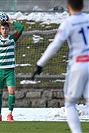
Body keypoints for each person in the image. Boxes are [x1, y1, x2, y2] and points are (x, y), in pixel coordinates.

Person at [32, 0, 89, 132]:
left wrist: (40, 64)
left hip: (78, 64)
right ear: (83, 6)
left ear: (68, 7)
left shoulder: (68, 23)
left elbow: (55, 45)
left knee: (70, 103)